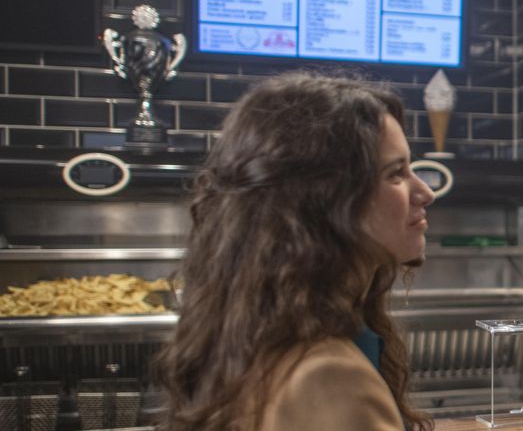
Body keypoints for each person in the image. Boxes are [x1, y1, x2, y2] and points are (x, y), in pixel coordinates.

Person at [152, 71, 436, 430]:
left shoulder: (253, 337)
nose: (426, 192)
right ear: (321, 198)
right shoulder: (327, 376)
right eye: (396, 174)